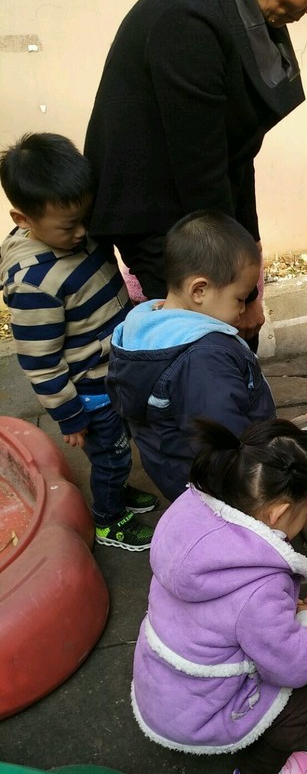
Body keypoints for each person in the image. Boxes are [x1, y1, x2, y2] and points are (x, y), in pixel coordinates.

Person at [84, 0, 307, 347]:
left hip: (198, 204)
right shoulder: (189, 18)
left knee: (228, 339)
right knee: (206, 346)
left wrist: (250, 251)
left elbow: (237, 151)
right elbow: (203, 177)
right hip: (162, 216)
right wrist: (241, 291)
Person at [131, 417, 307, 774]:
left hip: (161, 688)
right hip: (198, 714)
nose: (305, 521)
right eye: (306, 513)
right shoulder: (260, 588)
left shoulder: (190, 513)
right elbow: (294, 666)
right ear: (278, 513)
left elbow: (229, 614)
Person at [0, 132, 156, 550]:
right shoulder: (34, 284)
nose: (84, 232)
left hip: (111, 374)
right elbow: (40, 362)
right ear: (23, 220)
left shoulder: (74, 235)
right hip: (90, 392)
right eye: (70, 226)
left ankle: (116, 491)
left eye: (86, 218)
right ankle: (108, 520)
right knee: (112, 455)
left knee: (117, 450)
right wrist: (70, 415)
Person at [107, 210, 277, 502]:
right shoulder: (204, 360)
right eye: (239, 298)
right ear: (199, 290)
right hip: (221, 487)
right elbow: (226, 439)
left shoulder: (147, 324)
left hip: (174, 473)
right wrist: (259, 477)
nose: (242, 309)